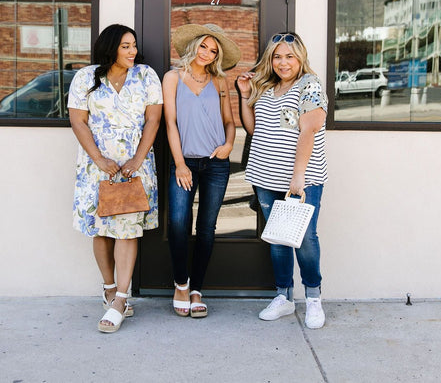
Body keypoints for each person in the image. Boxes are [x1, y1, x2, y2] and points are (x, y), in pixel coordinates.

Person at [67, 24, 163, 333]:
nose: (133, 51)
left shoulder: (147, 76)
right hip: (97, 167)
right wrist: (99, 158)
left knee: (127, 231)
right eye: (125, 46)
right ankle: (108, 287)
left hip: (135, 166)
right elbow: (78, 121)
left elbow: (154, 118)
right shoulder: (85, 77)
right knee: (102, 229)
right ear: (110, 48)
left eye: (134, 45)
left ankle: (121, 298)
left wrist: (137, 158)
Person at [236, 32, 328, 329]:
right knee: (278, 240)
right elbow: (253, 128)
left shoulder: (309, 85)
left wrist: (298, 178)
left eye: (289, 56)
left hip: (301, 179)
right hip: (265, 175)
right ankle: (284, 297)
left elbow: (308, 131)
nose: (283, 62)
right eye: (277, 56)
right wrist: (243, 94)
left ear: (300, 57)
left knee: (304, 239)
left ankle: (313, 299)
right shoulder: (267, 86)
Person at [163, 23, 240, 318]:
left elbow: (230, 121)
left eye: (213, 50)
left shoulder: (219, 81)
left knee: (207, 228)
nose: (207, 53)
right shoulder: (172, 78)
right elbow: (170, 123)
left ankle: (197, 289)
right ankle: (180, 284)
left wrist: (229, 143)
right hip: (185, 162)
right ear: (193, 45)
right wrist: (180, 163)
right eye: (204, 46)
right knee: (179, 224)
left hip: (216, 164)